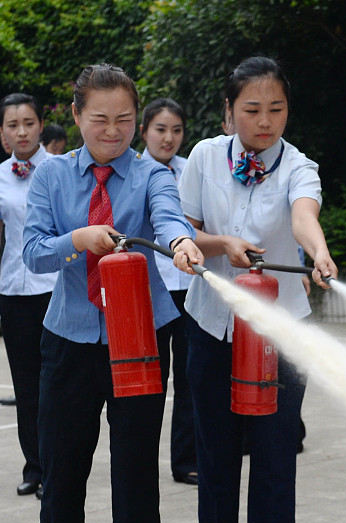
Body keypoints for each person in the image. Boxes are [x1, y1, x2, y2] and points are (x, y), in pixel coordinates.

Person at [8, 64, 204, 523]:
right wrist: (79, 239)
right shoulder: (51, 178)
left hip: (139, 338)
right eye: (101, 119)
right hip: (68, 339)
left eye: (124, 119)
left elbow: (168, 217)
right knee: (62, 468)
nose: (113, 130)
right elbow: (35, 253)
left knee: (136, 473)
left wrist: (181, 242)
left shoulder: (150, 175)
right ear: (76, 117)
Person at [179, 56, 336, 523]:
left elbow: (302, 215)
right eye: (252, 109)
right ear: (228, 111)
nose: (265, 121)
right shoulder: (201, 158)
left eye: (276, 109)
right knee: (215, 457)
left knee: (274, 462)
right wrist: (221, 243)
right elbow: (183, 228)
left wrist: (317, 250)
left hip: (280, 333)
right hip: (212, 325)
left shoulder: (298, 165)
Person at [0, 94, 59, 499]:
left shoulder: (62, 169)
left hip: (57, 291)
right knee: (26, 387)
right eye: (12, 124)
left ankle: (59, 466)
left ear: (42, 125)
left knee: (58, 385)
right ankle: (35, 467)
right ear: (2, 132)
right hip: (14, 293)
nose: (21, 131)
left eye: (28, 122)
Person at [138, 98, 197, 486]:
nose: (169, 137)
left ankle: (186, 460)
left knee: (191, 378)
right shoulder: (132, 170)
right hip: (150, 288)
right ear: (143, 131)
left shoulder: (193, 169)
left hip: (190, 287)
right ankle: (141, 461)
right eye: (161, 129)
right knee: (150, 380)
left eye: (176, 130)